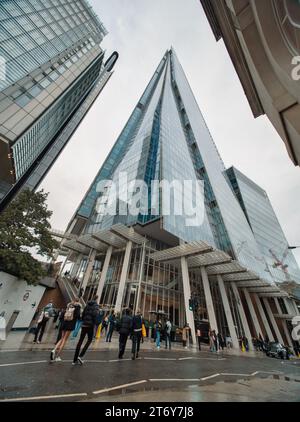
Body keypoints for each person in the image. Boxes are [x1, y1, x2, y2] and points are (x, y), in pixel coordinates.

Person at [50, 298, 81, 362]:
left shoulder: (69, 305)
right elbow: (78, 316)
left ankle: (54, 350)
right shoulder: (78, 307)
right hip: (70, 324)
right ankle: (58, 356)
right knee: (64, 339)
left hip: (64, 322)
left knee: (62, 338)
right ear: (78, 301)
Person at [73, 296, 99, 365]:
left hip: (84, 324)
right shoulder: (96, 306)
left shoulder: (87, 305)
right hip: (90, 326)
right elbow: (95, 315)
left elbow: (83, 314)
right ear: (96, 299)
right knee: (89, 340)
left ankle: (74, 359)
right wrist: (95, 323)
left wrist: (84, 320)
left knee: (80, 340)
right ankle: (81, 355)